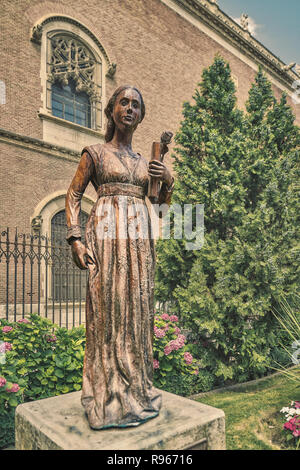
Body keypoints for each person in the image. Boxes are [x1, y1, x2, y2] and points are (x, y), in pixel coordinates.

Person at [65, 85, 174, 430]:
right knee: (108, 310)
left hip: (139, 245)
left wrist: (167, 181)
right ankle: (107, 394)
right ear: (112, 110)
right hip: (106, 240)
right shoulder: (95, 153)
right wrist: (75, 239)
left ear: (141, 116)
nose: (129, 109)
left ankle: (137, 391)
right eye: (123, 102)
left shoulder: (146, 162)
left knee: (137, 312)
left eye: (136, 105)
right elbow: (73, 195)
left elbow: (159, 208)